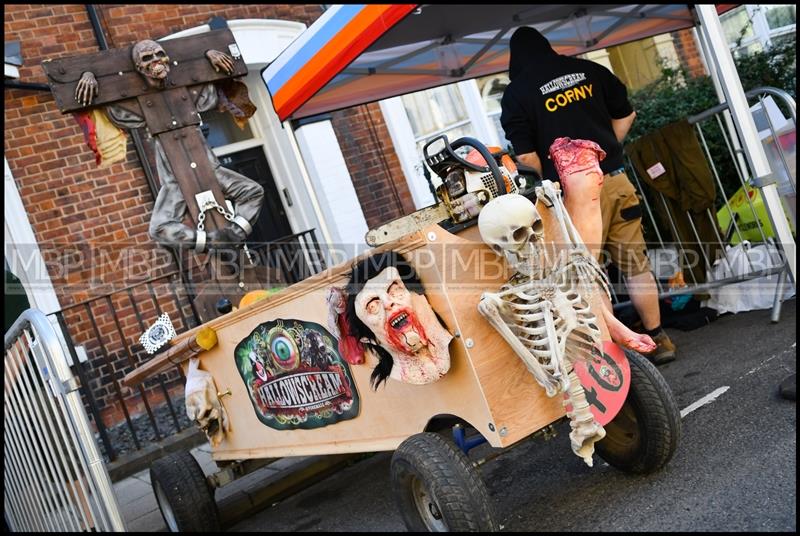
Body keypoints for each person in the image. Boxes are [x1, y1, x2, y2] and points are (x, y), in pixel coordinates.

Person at [500, 26, 676, 364]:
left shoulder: (517, 92)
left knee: (586, 271)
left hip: (570, 195)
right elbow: (627, 114)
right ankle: (659, 338)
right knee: (635, 264)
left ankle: (614, 356)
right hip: (614, 179)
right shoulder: (588, 70)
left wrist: (551, 174)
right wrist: (604, 152)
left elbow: (523, 156)